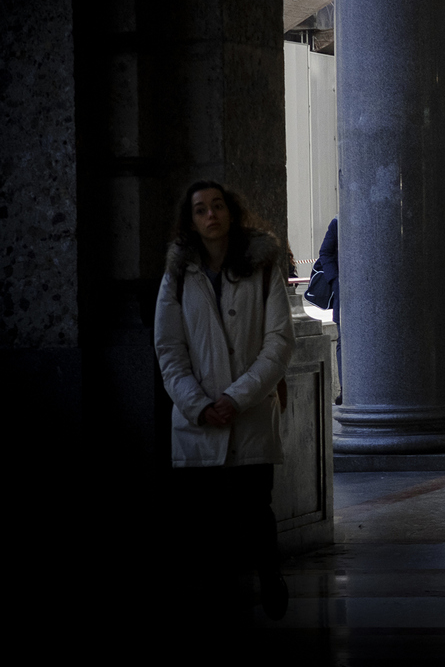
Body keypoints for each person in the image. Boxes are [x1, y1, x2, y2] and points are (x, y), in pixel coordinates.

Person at [153, 181, 295, 620]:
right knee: (206, 522)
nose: (210, 215)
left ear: (231, 212)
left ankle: (270, 579)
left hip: (249, 414)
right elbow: (168, 348)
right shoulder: (178, 274)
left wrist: (237, 397)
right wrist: (198, 404)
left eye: (217, 206)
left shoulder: (262, 267)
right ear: (191, 220)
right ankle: (220, 598)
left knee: (256, 511)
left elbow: (278, 342)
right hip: (200, 420)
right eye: (200, 210)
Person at [314, 217, 341, 403]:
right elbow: (325, 252)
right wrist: (335, 281)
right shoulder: (337, 222)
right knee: (344, 341)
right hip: (344, 292)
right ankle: (346, 389)